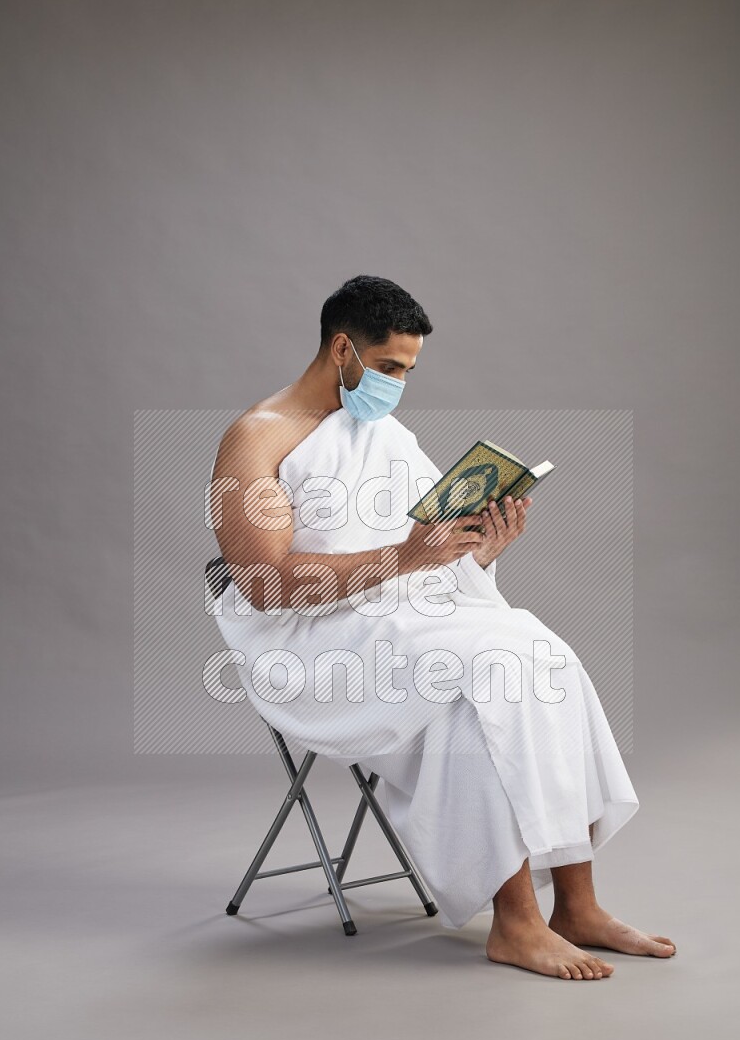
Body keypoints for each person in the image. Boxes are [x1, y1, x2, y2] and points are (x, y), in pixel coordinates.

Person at [209, 274, 676, 980]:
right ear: (342, 349)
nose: (398, 384)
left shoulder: (382, 433)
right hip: (310, 646)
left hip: (401, 617)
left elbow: (426, 551)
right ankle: (513, 922)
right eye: (390, 366)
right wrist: (409, 556)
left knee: (544, 654)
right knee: (487, 673)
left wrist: (478, 551)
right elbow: (266, 586)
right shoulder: (256, 439)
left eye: (408, 371)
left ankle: (575, 905)